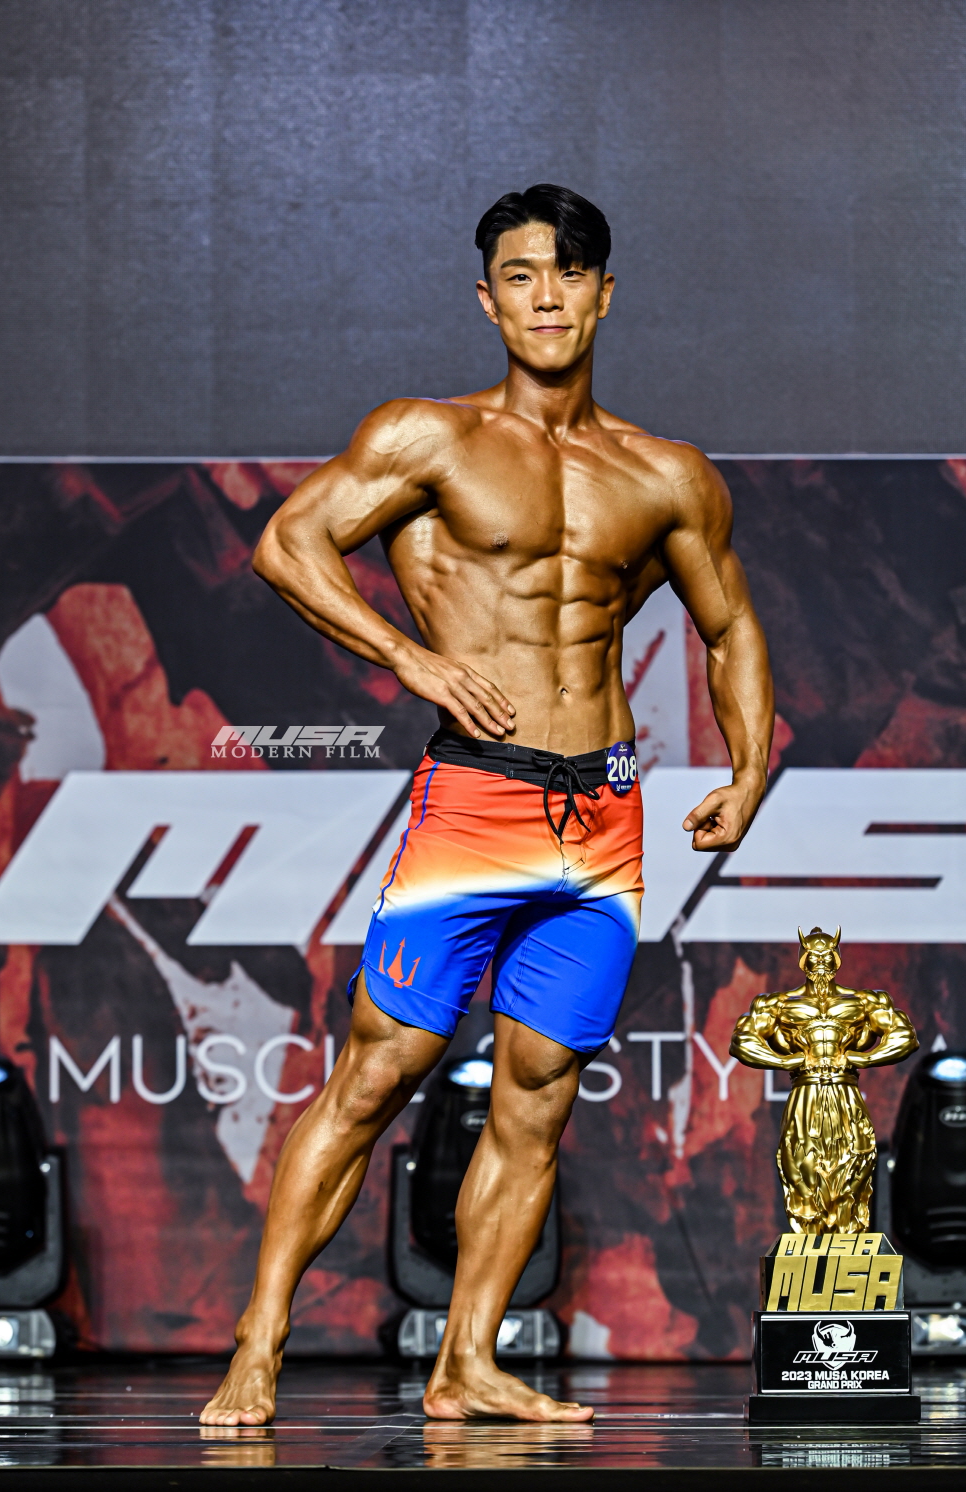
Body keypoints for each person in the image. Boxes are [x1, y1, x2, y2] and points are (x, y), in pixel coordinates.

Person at [201, 183, 774, 1427]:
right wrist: (406, 658)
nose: (545, 296)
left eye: (567, 274)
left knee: (538, 1094)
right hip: (476, 797)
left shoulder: (665, 473)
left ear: (604, 295)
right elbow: (288, 543)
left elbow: (728, 626)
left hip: (602, 819)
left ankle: (467, 1360)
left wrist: (746, 772)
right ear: (487, 300)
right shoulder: (429, 438)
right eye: (520, 275)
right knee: (378, 1072)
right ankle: (259, 1342)